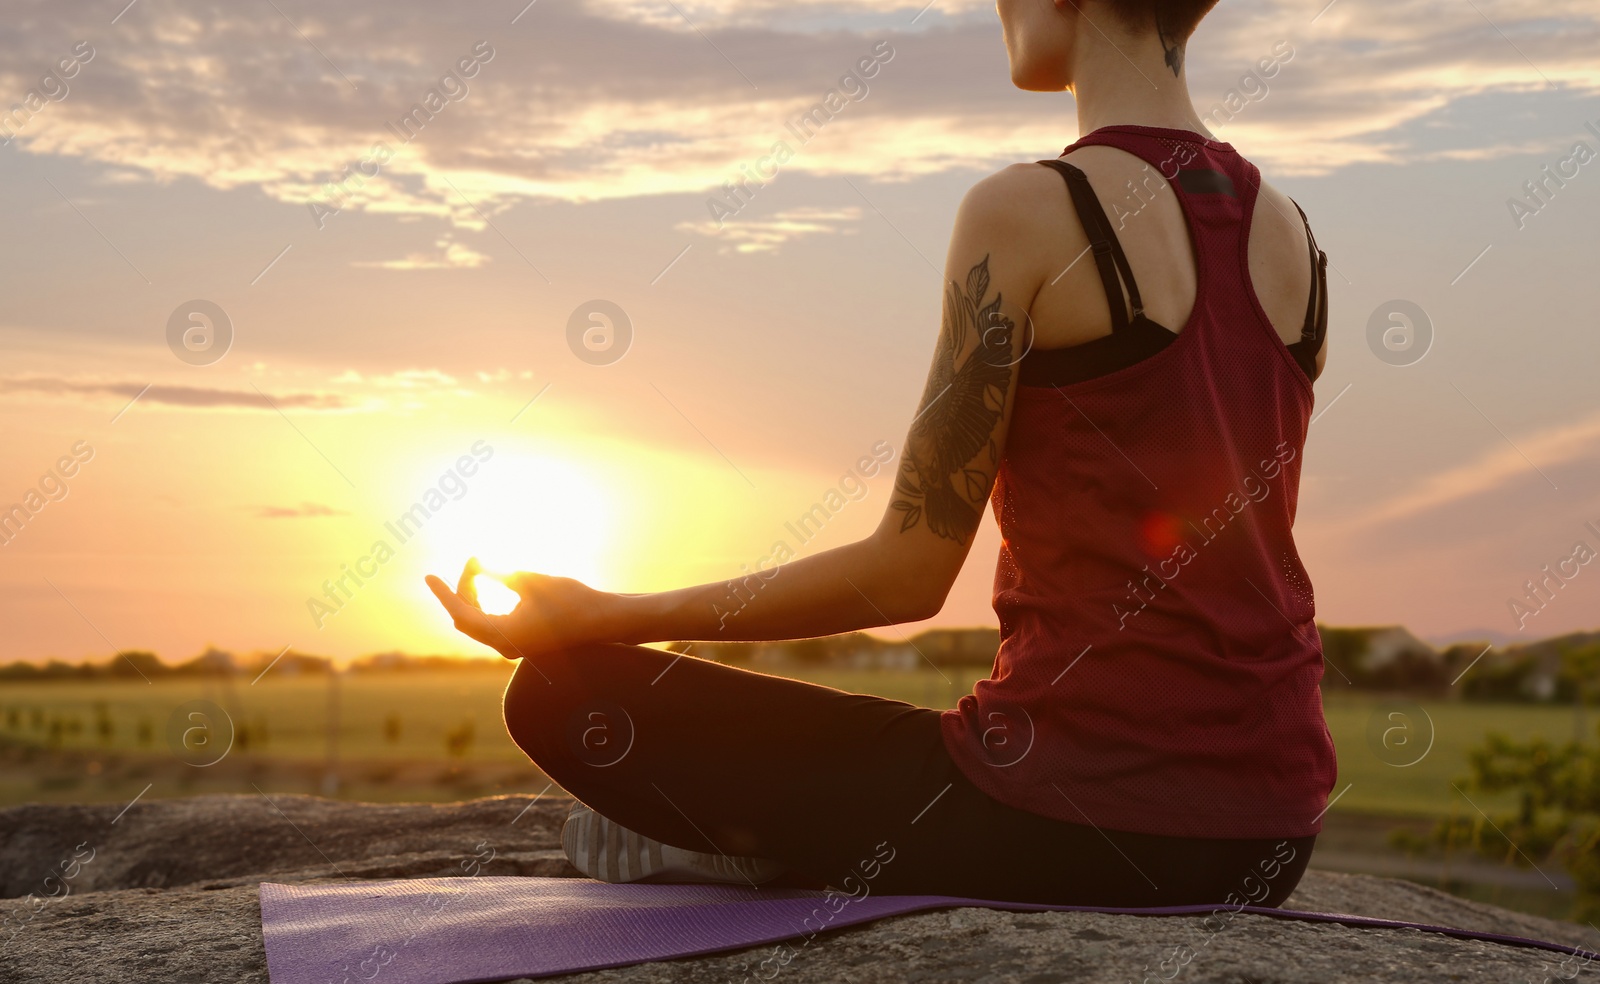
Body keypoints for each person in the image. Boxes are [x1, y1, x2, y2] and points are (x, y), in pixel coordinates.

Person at [427, 0, 1335, 908]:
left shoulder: (1024, 211)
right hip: (1273, 831)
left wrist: (607, 615)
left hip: (1068, 818)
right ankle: (782, 829)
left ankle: (757, 835)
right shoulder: (1292, 235)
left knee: (556, 693)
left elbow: (906, 574)